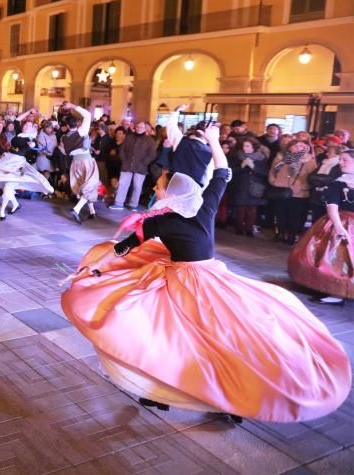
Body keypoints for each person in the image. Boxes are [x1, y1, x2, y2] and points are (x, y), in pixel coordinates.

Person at [61, 122, 350, 422]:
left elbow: (123, 248)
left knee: (172, 336)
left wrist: (95, 268)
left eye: (159, 186)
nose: (156, 188)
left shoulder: (156, 222)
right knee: (218, 336)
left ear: (170, 194)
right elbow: (222, 172)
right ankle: (211, 397)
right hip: (212, 277)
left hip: (184, 284)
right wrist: (213, 140)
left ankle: (175, 391)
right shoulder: (204, 207)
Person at [288, 149, 354, 304]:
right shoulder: (338, 182)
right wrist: (338, 226)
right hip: (341, 220)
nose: (341, 163)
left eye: (345, 160)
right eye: (340, 160)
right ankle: (336, 292)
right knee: (337, 258)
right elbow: (332, 205)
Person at [0, 144, 54, 220]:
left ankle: (2, 212)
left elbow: (32, 173)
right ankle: (15, 205)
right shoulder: (8, 157)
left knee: (7, 190)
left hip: (16, 179)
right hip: (8, 178)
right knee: (7, 191)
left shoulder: (21, 160)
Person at [59, 102, 99, 223]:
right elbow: (87, 115)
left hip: (75, 163)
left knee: (85, 186)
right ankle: (76, 209)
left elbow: (64, 151)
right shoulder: (81, 131)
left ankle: (92, 212)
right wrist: (73, 106)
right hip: (86, 161)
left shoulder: (63, 138)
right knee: (90, 185)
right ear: (77, 123)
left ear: (66, 125)